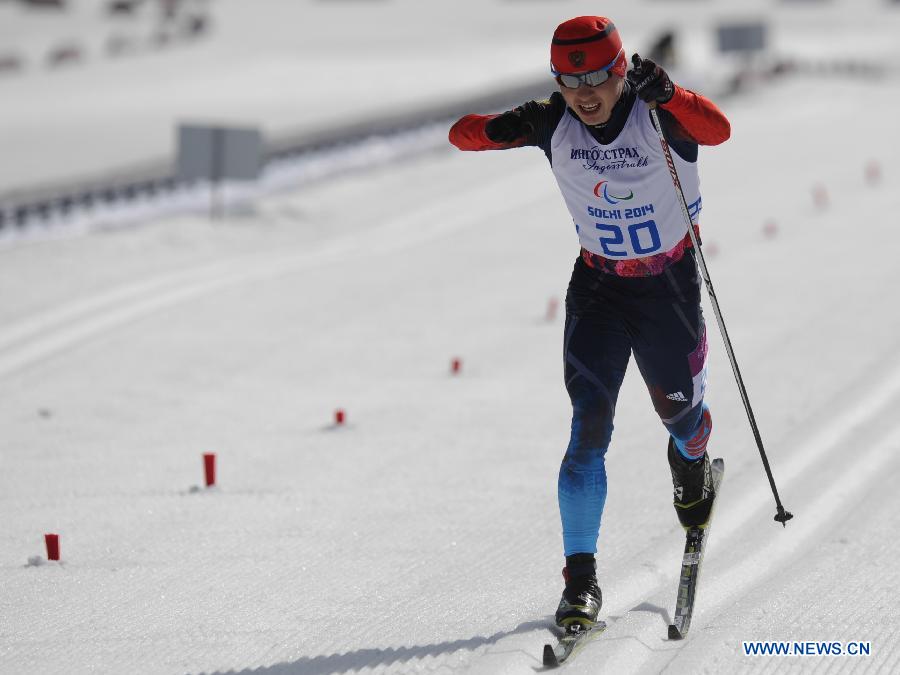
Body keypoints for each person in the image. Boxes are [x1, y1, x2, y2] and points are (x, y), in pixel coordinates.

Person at [448, 16, 731, 629]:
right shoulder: (555, 120)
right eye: (571, 80)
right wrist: (506, 127)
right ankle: (580, 581)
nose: (586, 93)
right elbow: (460, 135)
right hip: (598, 290)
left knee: (683, 419)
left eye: (598, 76)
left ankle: (691, 462)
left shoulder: (655, 111)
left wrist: (673, 94)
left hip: (669, 289)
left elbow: (720, 128)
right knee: (587, 431)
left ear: (621, 68)